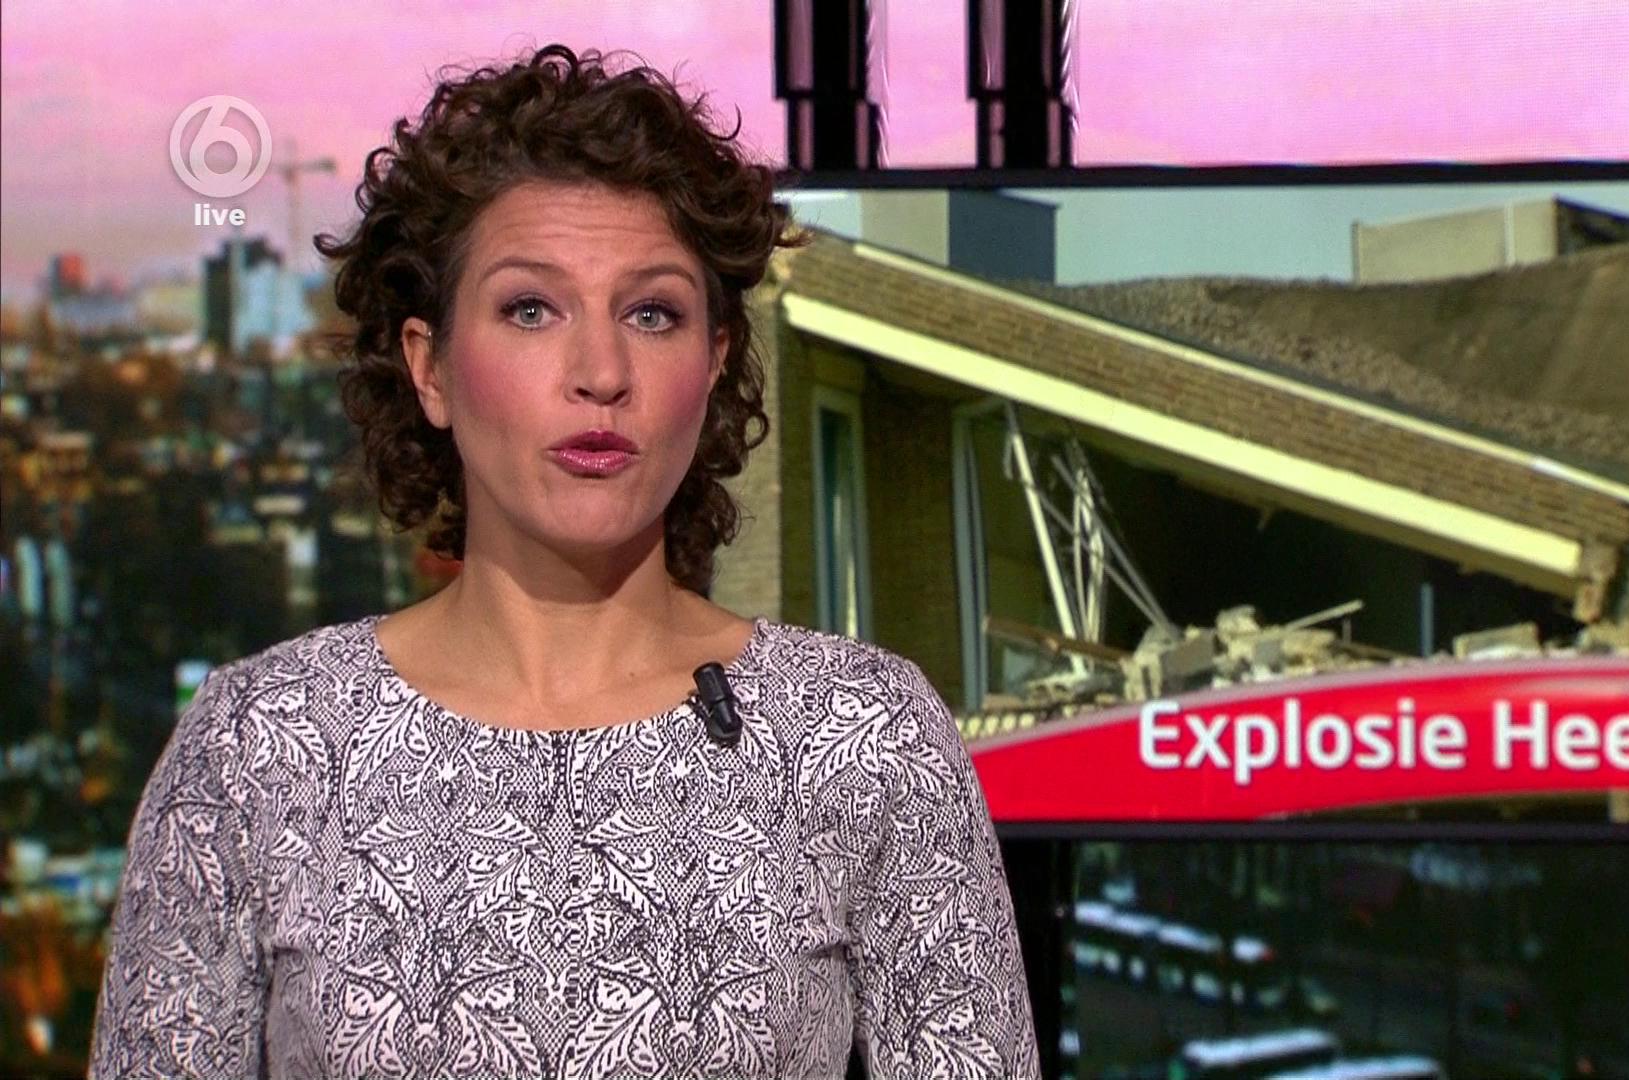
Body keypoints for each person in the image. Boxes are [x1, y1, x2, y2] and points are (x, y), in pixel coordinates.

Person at [89, 43, 1040, 1079]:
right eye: (531, 310)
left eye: (653, 314)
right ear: (429, 367)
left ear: (714, 363)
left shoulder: (865, 741)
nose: (601, 372)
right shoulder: (261, 749)